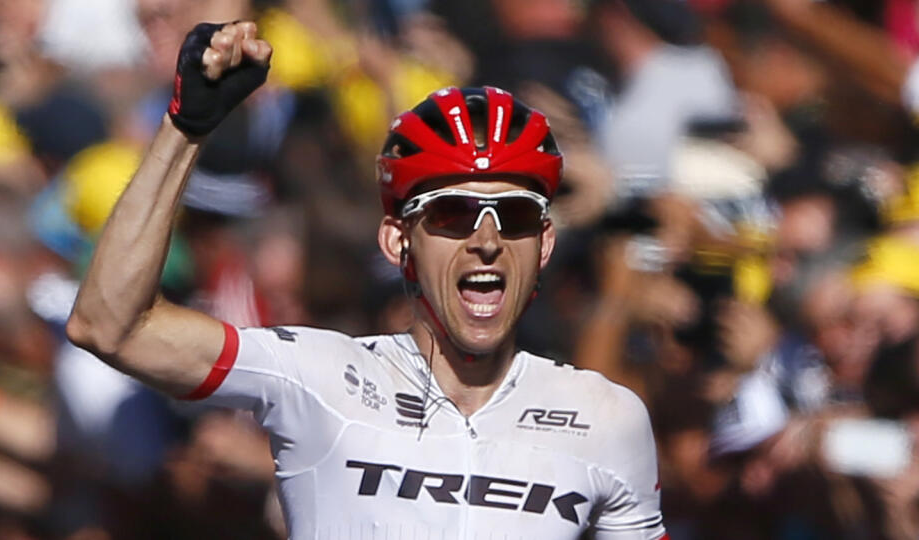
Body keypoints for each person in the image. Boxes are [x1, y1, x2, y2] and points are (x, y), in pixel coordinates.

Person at [66, 21, 668, 538]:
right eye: (453, 214)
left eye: (514, 218)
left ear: (545, 246)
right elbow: (109, 325)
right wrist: (185, 127)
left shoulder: (608, 418)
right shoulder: (321, 378)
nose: (486, 241)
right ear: (396, 241)